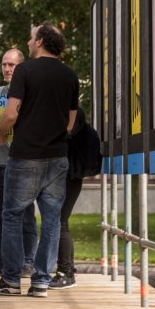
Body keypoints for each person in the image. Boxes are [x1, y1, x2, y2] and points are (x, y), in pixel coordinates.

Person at [0, 23, 79, 298]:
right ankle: (41, 281)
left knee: (12, 215)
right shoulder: (70, 75)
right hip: (57, 157)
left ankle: (11, 279)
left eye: (31, 38)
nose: (28, 43)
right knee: (51, 219)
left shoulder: (25, 71)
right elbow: (70, 122)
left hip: (25, 156)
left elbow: (11, 114)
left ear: (39, 41)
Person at [0, 48, 37, 278]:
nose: (6, 68)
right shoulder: (0, 91)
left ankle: (28, 262)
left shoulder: (30, 92)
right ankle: (1, 260)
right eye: (4, 64)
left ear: (21, 67)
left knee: (25, 216)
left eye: (11, 65)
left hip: (22, 163)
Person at [52, 105, 99, 290]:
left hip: (67, 178)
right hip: (73, 178)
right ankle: (68, 270)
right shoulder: (82, 125)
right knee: (62, 222)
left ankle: (66, 273)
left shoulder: (70, 121)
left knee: (60, 222)